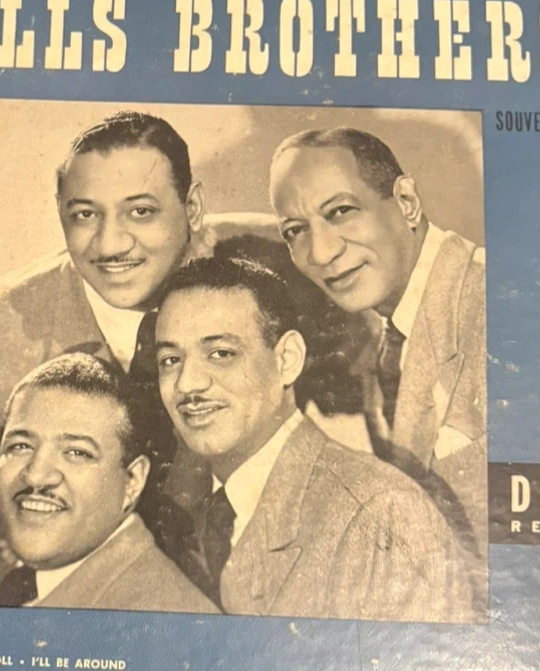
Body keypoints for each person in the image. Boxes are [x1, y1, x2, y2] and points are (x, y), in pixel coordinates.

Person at [0, 109, 350, 605]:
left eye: (141, 212)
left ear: (192, 207)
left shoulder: (293, 263)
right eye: (84, 215)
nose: (111, 244)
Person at [154, 255, 474, 621]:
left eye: (221, 353)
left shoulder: (381, 515)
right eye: (170, 360)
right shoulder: (195, 516)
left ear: (287, 359)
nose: (187, 383)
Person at [269, 126, 487, 560]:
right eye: (295, 231)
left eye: (341, 211)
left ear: (406, 202)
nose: (321, 253)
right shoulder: (389, 333)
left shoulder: (489, 308)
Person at [0, 353, 217, 613]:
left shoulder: (162, 613)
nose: (36, 475)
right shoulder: (24, 587)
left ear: (133, 481)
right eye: (20, 446)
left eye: (77, 452)